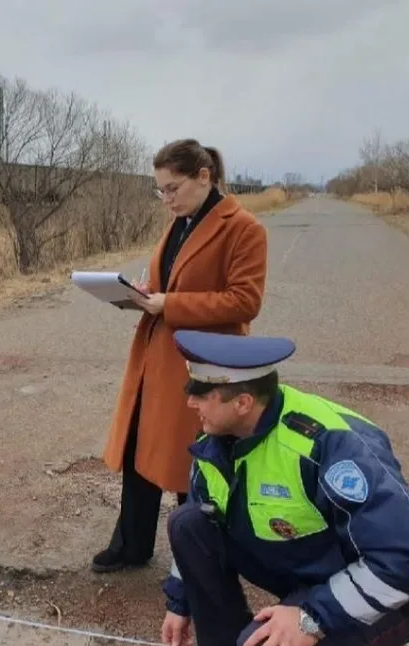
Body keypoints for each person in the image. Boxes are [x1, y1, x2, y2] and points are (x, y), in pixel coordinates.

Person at [161, 329, 409, 646]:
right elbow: (204, 508)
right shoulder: (218, 436)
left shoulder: (328, 444)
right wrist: (179, 601)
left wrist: (313, 618)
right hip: (304, 562)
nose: (189, 401)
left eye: (202, 394)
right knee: (188, 523)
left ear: (242, 402)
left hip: (388, 592)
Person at [93, 138, 269, 573]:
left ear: (204, 178)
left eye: (172, 188)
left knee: (193, 461)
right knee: (140, 448)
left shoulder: (243, 227)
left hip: (203, 364)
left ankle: (203, 559)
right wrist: (145, 294)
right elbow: (172, 280)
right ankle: (132, 544)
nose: (166, 198)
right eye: (160, 190)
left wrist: (169, 304)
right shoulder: (180, 222)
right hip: (156, 355)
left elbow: (245, 302)